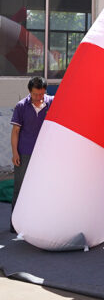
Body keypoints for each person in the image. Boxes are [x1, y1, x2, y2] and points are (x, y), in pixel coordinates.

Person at [10, 76, 54, 232]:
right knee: (20, 187)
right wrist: (15, 153)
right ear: (30, 92)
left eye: (42, 94)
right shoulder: (21, 106)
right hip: (25, 152)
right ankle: (15, 225)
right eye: (36, 94)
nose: (39, 98)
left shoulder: (52, 102)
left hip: (46, 154)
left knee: (45, 187)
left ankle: (41, 223)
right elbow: (15, 131)